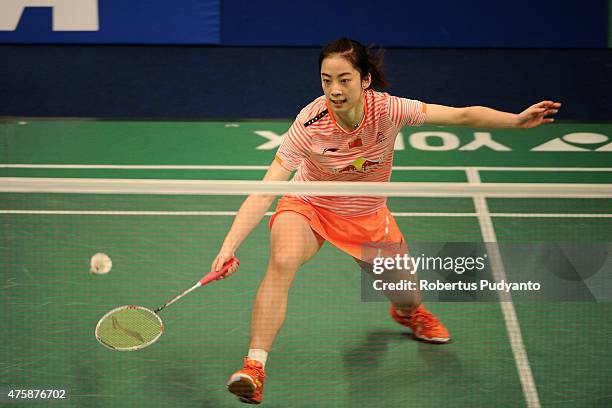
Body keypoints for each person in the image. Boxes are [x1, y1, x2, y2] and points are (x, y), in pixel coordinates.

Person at [211, 38, 561, 404]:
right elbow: (264, 190)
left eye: (344, 79)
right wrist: (228, 246)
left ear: (364, 80)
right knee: (282, 261)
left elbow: (461, 115)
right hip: (310, 204)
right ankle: (254, 366)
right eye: (326, 80)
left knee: (407, 295)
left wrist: (517, 121)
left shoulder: (389, 110)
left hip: (366, 215)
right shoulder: (309, 123)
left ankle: (409, 313)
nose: (334, 90)